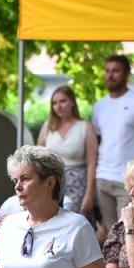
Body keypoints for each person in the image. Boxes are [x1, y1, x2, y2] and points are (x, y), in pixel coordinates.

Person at [89, 54, 134, 230]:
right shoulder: (99, 106)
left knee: (129, 229)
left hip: (128, 180)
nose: (110, 75)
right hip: (103, 176)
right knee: (110, 232)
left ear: (127, 73)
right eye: (107, 71)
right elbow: (96, 141)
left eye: (116, 71)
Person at [38, 84, 96, 216]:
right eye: (54, 103)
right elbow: (37, 158)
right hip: (51, 183)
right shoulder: (48, 126)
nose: (58, 106)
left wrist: (89, 195)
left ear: (72, 103)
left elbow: (92, 163)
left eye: (63, 101)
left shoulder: (85, 127)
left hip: (78, 185)